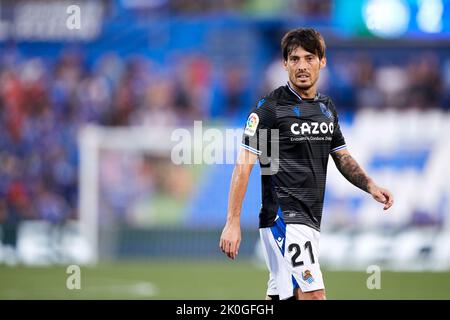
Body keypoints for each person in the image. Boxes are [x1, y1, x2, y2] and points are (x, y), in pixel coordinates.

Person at [219, 28, 394, 300]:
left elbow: (342, 157)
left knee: (282, 297)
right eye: (295, 58)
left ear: (322, 62)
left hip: (310, 220)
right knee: (314, 296)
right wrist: (233, 222)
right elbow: (244, 165)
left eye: (309, 58)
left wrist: (370, 185)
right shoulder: (269, 109)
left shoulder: (326, 108)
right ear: (285, 64)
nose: (302, 65)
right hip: (284, 219)